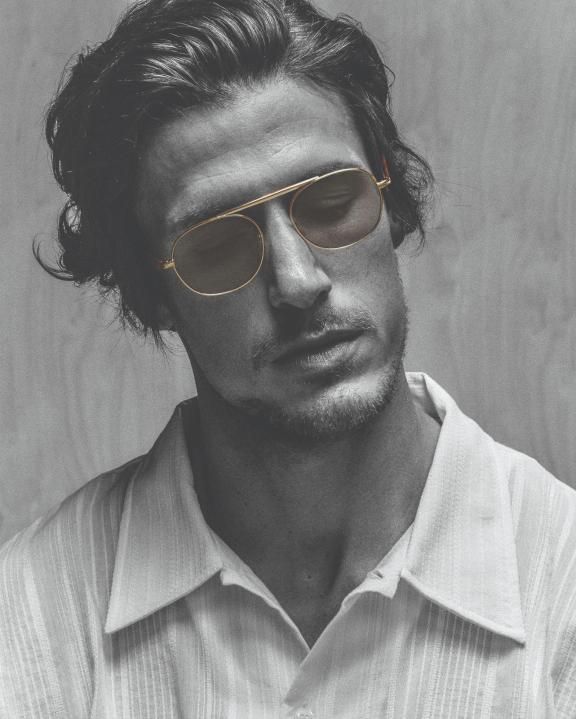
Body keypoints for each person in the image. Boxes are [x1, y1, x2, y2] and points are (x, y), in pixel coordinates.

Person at [1, 0, 575, 716]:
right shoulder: (28, 618)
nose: (298, 283)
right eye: (218, 243)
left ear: (390, 202)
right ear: (151, 294)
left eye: (331, 203)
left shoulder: (561, 587)